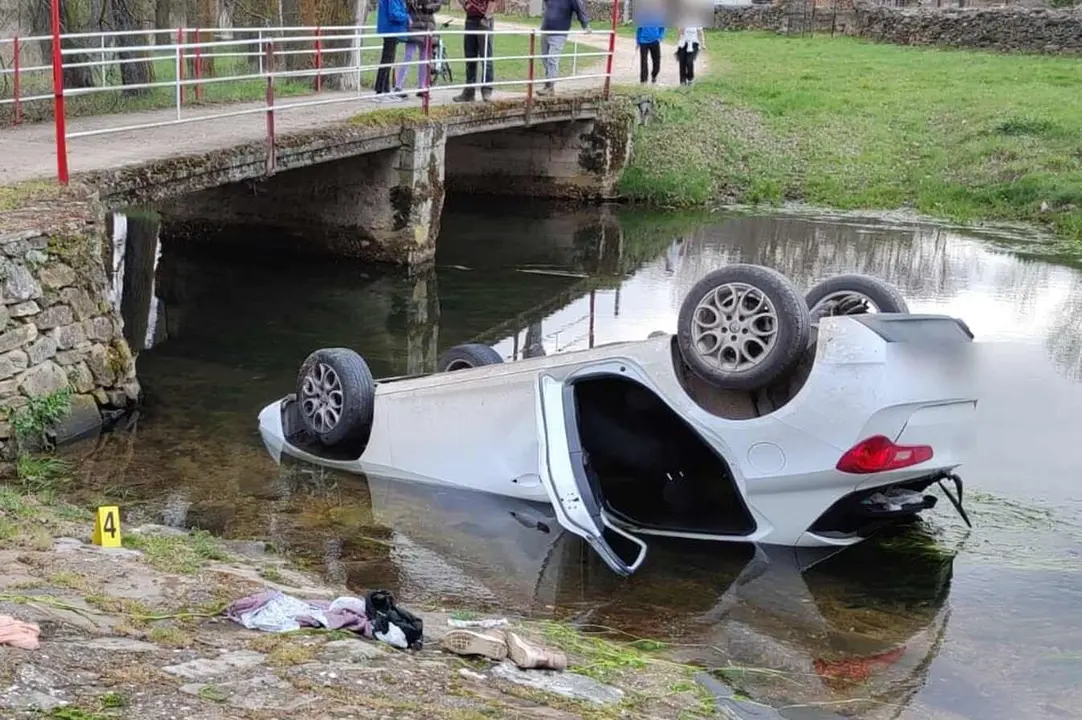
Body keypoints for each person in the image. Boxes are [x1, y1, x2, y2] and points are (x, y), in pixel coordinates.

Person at [536, 0, 590, 97]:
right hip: (546, 29)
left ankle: (549, 86)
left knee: (552, 59)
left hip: (559, 33)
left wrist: (585, 25)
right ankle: (548, 85)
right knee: (545, 59)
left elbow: (580, 9)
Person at [394, 0, 443, 97]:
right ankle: (398, 85)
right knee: (408, 55)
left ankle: (422, 87)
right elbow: (406, 5)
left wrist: (428, 7)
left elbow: (438, 4)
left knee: (424, 58)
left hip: (427, 25)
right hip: (414, 25)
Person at [454, 0, 498, 102]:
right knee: (470, 57)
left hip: (484, 19)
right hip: (470, 19)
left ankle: (486, 90)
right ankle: (469, 91)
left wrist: (487, 17)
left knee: (486, 56)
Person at [375, 0, 409, 102]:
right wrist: (406, 17)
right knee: (387, 60)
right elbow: (394, 13)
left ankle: (384, 89)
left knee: (388, 60)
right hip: (391, 29)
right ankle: (381, 91)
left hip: (390, 28)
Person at [635, 17, 663, 85]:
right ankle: (644, 81)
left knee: (657, 61)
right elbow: (639, 30)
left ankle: (654, 75)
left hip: (655, 41)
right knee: (643, 62)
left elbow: (662, 28)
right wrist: (638, 42)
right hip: (643, 42)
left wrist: (660, 37)